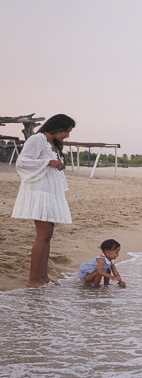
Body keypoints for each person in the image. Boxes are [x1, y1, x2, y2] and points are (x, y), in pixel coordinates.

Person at [11, 114, 76, 287]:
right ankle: (34, 279)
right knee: (43, 234)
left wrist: (57, 164)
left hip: (50, 191)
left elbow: (49, 164)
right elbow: (22, 162)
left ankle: (43, 277)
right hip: (39, 191)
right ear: (56, 127)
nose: (67, 135)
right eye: (66, 131)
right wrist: (49, 162)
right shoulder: (36, 139)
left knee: (48, 235)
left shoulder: (53, 144)